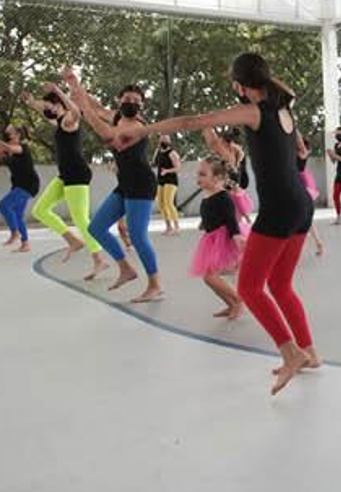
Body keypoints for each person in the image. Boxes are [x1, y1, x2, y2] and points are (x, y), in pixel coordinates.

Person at [134, 53, 320, 394]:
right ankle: (308, 351)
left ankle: (290, 352)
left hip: (280, 209)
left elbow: (192, 121)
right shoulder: (283, 110)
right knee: (279, 285)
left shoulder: (254, 110)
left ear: (239, 84)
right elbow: (294, 151)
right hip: (301, 204)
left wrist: (146, 129)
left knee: (249, 288)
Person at [62, 75, 164, 303]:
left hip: (141, 185)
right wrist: (74, 84)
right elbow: (96, 107)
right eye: (128, 98)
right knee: (96, 228)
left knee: (137, 236)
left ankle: (155, 284)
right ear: (119, 101)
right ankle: (125, 268)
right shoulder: (117, 116)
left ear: (142, 105)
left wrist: (83, 108)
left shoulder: (139, 126)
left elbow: (108, 135)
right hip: (125, 184)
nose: (132, 102)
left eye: (137, 100)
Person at [25, 88, 108, 279]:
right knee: (40, 210)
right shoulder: (59, 122)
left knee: (80, 219)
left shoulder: (69, 121)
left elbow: (77, 112)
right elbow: (43, 108)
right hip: (65, 176)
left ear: (59, 105)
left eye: (50, 106)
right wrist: (32, 103)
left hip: (77, 175)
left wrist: (57, 91)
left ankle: (99, 259)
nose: (47, 110)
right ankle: (73, 241)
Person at [188, 157, 244, 321]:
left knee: (210, 276)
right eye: (198, 174)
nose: (198, 178)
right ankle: (231, 304)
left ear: (218, 178)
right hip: (210, 238)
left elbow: (231, 220)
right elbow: (210, 213)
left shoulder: (223, 197)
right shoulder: (208, 194)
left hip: (223, 239)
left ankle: (238, 301)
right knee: (208, 278)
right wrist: (204, 223)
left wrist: (236, 238)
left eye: (203, 174)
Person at [0, 123, 39, 254]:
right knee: (18, 215)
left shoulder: (22, 148)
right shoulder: (8, 150)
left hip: (28, 184)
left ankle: (15, 232)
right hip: (18, 185)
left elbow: (7, 146)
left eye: (10, 131)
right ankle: (25, 244)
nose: (7, 133)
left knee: (4, 205)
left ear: (18, 134)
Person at [154, 135, 183, 236]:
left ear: (169, 141)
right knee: (161, 204)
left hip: (171, 180)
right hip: (160, 180)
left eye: (165, 140)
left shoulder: (172, 153)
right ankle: (168, 227)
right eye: (161, 140)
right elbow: (155, 163)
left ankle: (177, 227)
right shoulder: (158, 152)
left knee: (168, 203)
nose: (163, 142)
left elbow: (178, 167)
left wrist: (167, 171)